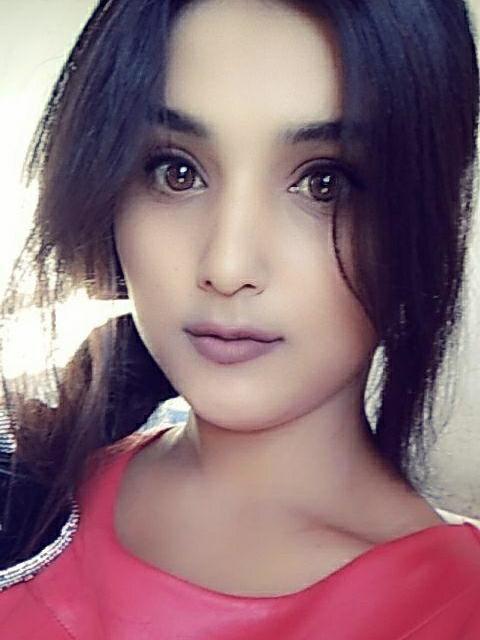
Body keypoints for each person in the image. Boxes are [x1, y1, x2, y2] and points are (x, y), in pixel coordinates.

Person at [0, 0, 479, 637]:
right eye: (176, 172)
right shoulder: (36, 481)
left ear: (427, 211)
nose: (227, 267)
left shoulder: (455, 609)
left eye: (325, 183)